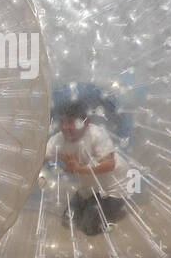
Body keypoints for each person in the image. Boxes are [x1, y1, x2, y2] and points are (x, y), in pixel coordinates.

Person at [47, 98, 128, 236]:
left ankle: (120, 208)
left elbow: (110, 164)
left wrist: (78, 169)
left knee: (89, 228)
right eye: (62, 121)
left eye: (71, 122)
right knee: (68, 222)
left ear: (85, 122)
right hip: (89, 188)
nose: (66, 127)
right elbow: (44, 156)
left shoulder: (96, 134)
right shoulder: (58, 140)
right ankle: (92, 203)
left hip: (113, 187)